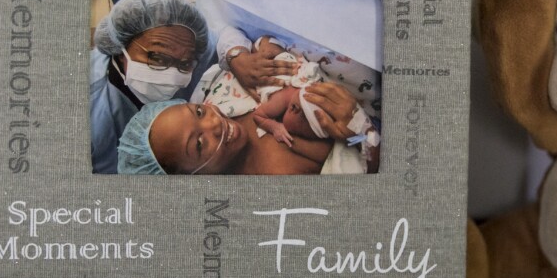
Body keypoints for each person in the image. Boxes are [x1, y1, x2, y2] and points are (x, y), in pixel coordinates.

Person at [117, 82, 379, 175]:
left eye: (197, 112)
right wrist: (360, 129)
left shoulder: (217, 95)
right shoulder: (276, 179)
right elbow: (361, 167)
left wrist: (235, 53)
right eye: (199, 144)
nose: (214, 123)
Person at [90, 0, 209, 174]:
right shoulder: (90, 105)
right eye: (158, 59)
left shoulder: (191, 50)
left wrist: (236, 52)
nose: (171, 75)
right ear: (122, 51)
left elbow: (222, 41)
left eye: (184, 63)